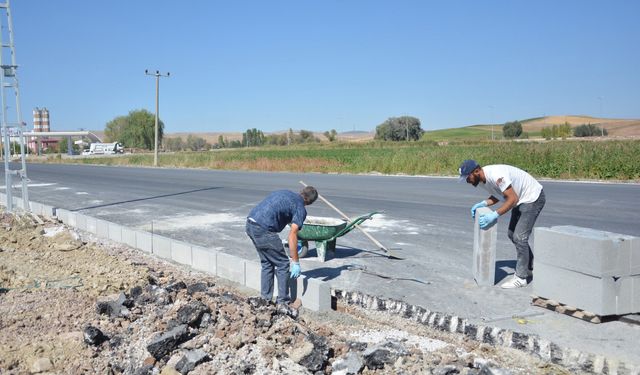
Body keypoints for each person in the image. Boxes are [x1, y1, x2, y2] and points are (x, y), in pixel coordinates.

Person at [458, 160, 545, 289]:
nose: (467, 181)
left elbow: (512, 198)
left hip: (532, 198)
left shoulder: (496, 175)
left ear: (476, 171)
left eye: (467, 177)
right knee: (511, 234)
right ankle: (529, 266)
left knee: (519, 237)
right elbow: (499, 194)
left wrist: (494, 214)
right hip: (520, 199)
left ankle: (521, 277)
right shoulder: (481, 180)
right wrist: (483, 203)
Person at [245, 186, 318, 307]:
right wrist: (296, 262)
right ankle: (283, 302)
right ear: (309, 202)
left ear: (301, 192)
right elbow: (292, 236)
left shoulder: (285, 193)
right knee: (283, 263)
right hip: (264, 230)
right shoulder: (300, 208)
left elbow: (279, 211)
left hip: (250, 224)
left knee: (267, 262)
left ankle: (265, 300)